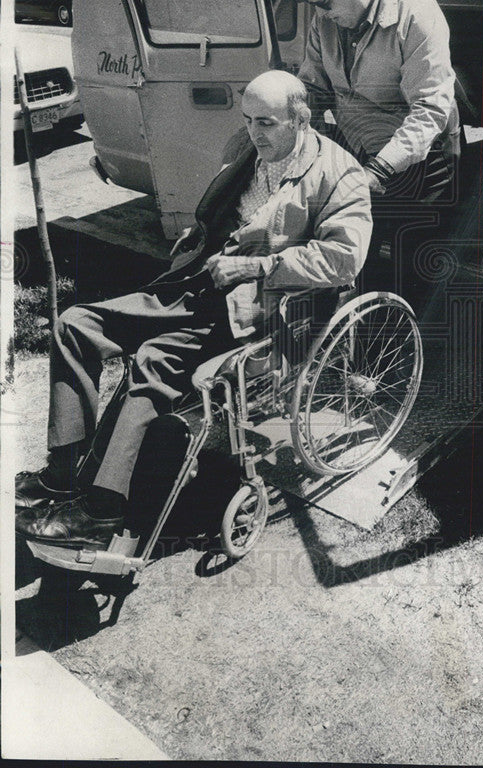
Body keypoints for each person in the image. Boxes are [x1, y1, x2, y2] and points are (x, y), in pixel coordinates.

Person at [16, 70, 372, 549]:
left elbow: (343, 259)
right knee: (74, 324)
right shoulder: (245, 149)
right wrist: (200, 237)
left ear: (301, 118)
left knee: (154, 360)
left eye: (266, 123)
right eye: (247, 120)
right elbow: (223, 214)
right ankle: (64, 474)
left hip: (262, 309)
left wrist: (257, 267)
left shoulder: (339, 173)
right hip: (201, 281)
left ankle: (101, 511)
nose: (253, 133)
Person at [283, 0, 462, 235]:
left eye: (325, 4)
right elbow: (313, 85)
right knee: (360, 252)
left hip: (423, 157)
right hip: (362, 151)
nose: (321, 15)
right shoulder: (325, 21)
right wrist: (289, 118)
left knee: (411, 258)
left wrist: (378, 170)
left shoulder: (418, 14)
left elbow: (430, 109)